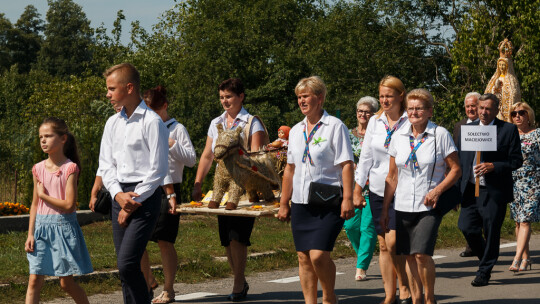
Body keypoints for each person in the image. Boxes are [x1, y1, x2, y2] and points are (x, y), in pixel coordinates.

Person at [277, 76, 355, 304]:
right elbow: (289, 168)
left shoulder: (335, 126)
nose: (301, 101)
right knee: (303, 257)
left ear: (319, 98)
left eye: (306, 96)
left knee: (319, 256)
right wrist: (284, 202)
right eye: (299, 97)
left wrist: (348, 198)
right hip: (301, 201)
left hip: (328, 200)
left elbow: (346, 164)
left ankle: (329, 297)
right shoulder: (296, 130)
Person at [382, 89, 461, 304]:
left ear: (429, 111)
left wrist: (437, 191)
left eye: (419, 108)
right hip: (403, 204)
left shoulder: (440, 134)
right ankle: (417, 298)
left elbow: (455, 169)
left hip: (428, 206)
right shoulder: (398, 136)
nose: (414, 112)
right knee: (408, 255)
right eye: (410, 108)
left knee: (422, 255)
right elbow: (392, 176)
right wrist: (385, 209)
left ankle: (429, 297)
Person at [191, 78, 267, 301]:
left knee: (237, 237)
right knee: (226, 238)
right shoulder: (216, 123)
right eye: (222, 97)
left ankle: (237, 284)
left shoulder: (252, 122)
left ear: (241, 97)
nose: (225, 101)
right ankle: (240, 280)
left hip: (244, 188)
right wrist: (197, 182)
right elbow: (207, 154)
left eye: (229, 96)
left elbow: (256, 157)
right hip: (222, 187)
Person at [99, 63, 169, 303]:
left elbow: (158, 169)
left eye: (111, 88)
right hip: (119, 196)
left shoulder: (152, 122)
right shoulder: (112, 123)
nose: (107, 94)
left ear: (129, 88)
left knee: (128, 263)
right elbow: (106, 165)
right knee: (124, 268)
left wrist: (133, 199)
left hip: (145, 198)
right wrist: (119, 196)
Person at [354, 75, 413, 304]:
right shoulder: (375, 122)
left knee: (393, 242)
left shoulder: (411, 119)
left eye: (389, 95)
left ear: (400, 96)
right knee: (383, 245)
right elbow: (366, 157)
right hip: (378, 189)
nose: (385, 100)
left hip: (404, 189)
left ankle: (406, 286)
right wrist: (359, 189)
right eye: (381, 96)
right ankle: (390, 294)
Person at [457, 93, 523, 287]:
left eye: (488, 109)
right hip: (469, 189)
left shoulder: (508, 130)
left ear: (496, 110)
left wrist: (494, 165)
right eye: (481, 108)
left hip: (493, 191)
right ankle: (486, 255)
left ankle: (484, 272)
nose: (483, 112)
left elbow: (516, 160)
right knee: (466, 227)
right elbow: (460, 159)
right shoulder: (466, 130)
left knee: (492, 230)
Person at [138, 85, 197, 304]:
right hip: (147, 188)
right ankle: (148, 280)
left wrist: (171, 143)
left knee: (164, 241)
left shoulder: (177, 128)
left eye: (155, 110)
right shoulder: (144, 126)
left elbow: (191, 160)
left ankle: (168, 289)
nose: (151, 115)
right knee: (138, 239)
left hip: (170, 190)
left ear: (165, 106)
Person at [25, 117, 93, 304]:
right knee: (34, 281)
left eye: (48, 136)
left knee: (66, 284)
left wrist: (44, 195)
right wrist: (30, 233)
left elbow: (69, 205)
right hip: (40, 229)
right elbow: (34, 204)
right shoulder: (38, 168)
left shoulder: (70, 168)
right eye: (40, 137)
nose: (43, 140)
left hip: (62, 229)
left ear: (63, 139)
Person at [344, 96, 378, 281]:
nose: (363, 114)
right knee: (350, 226)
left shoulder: (377, 135)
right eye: (360, 111)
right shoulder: (348, 134)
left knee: (367, 227)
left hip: (372, 186)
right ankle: (363, 255)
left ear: (373, 115)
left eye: (367, 111)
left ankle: (361, 266)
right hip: (352, 186)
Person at [508, 102, 539, 272]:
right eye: (514, 114)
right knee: (518, 223)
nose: (517, 116)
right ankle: (526, 259)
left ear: (529, 115)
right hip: (514, 182)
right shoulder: (510, 135)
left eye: (521, 112)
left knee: (525, 220)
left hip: (533, 182)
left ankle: (516, 258)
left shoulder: (537, 134)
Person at [452, 92, 480, 258]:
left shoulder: (487, 126)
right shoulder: (459, 126)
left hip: (481, 179)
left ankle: (482, 247)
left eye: (474, 105)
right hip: (465, 179)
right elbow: (456, 154)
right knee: (466, 218)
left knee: (482, 215)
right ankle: (473, 247)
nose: (471, 109)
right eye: (468, 106)